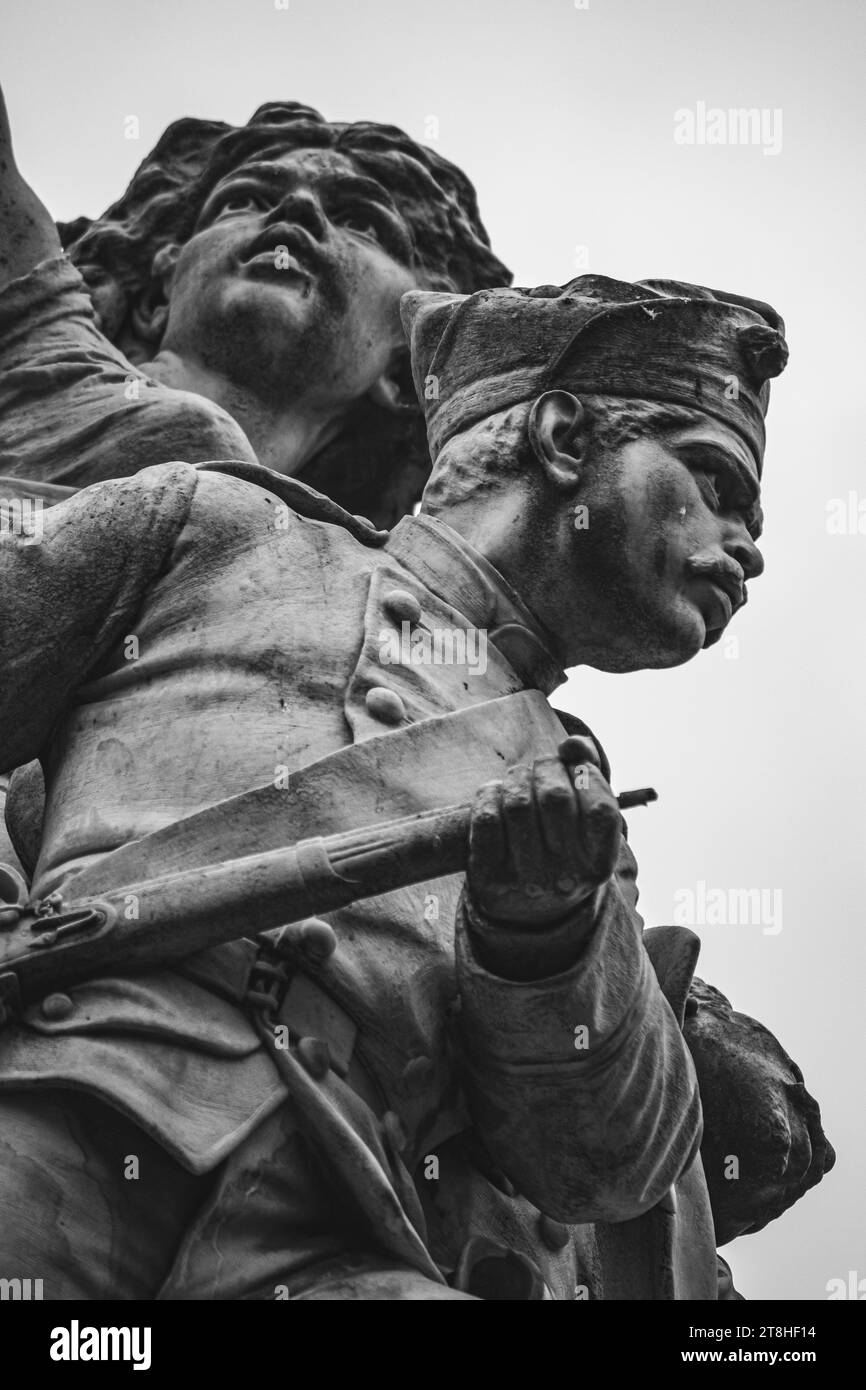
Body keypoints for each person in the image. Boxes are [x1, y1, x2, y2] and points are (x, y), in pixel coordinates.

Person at [0, 274, 830, 1299]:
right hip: (72, 1110)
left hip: (350, 1222)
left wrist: (541, 934)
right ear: (564, 437)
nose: (744, 548)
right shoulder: (208, 524)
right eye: (713, 482)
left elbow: (605, 1165)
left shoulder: (577, 808)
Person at [0, 86, 509, 526]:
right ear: (158, 295)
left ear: (404, 370)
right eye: (241, 201)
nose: (298, 210)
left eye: (362, 222)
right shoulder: (29, 336)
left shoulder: (370, 589)